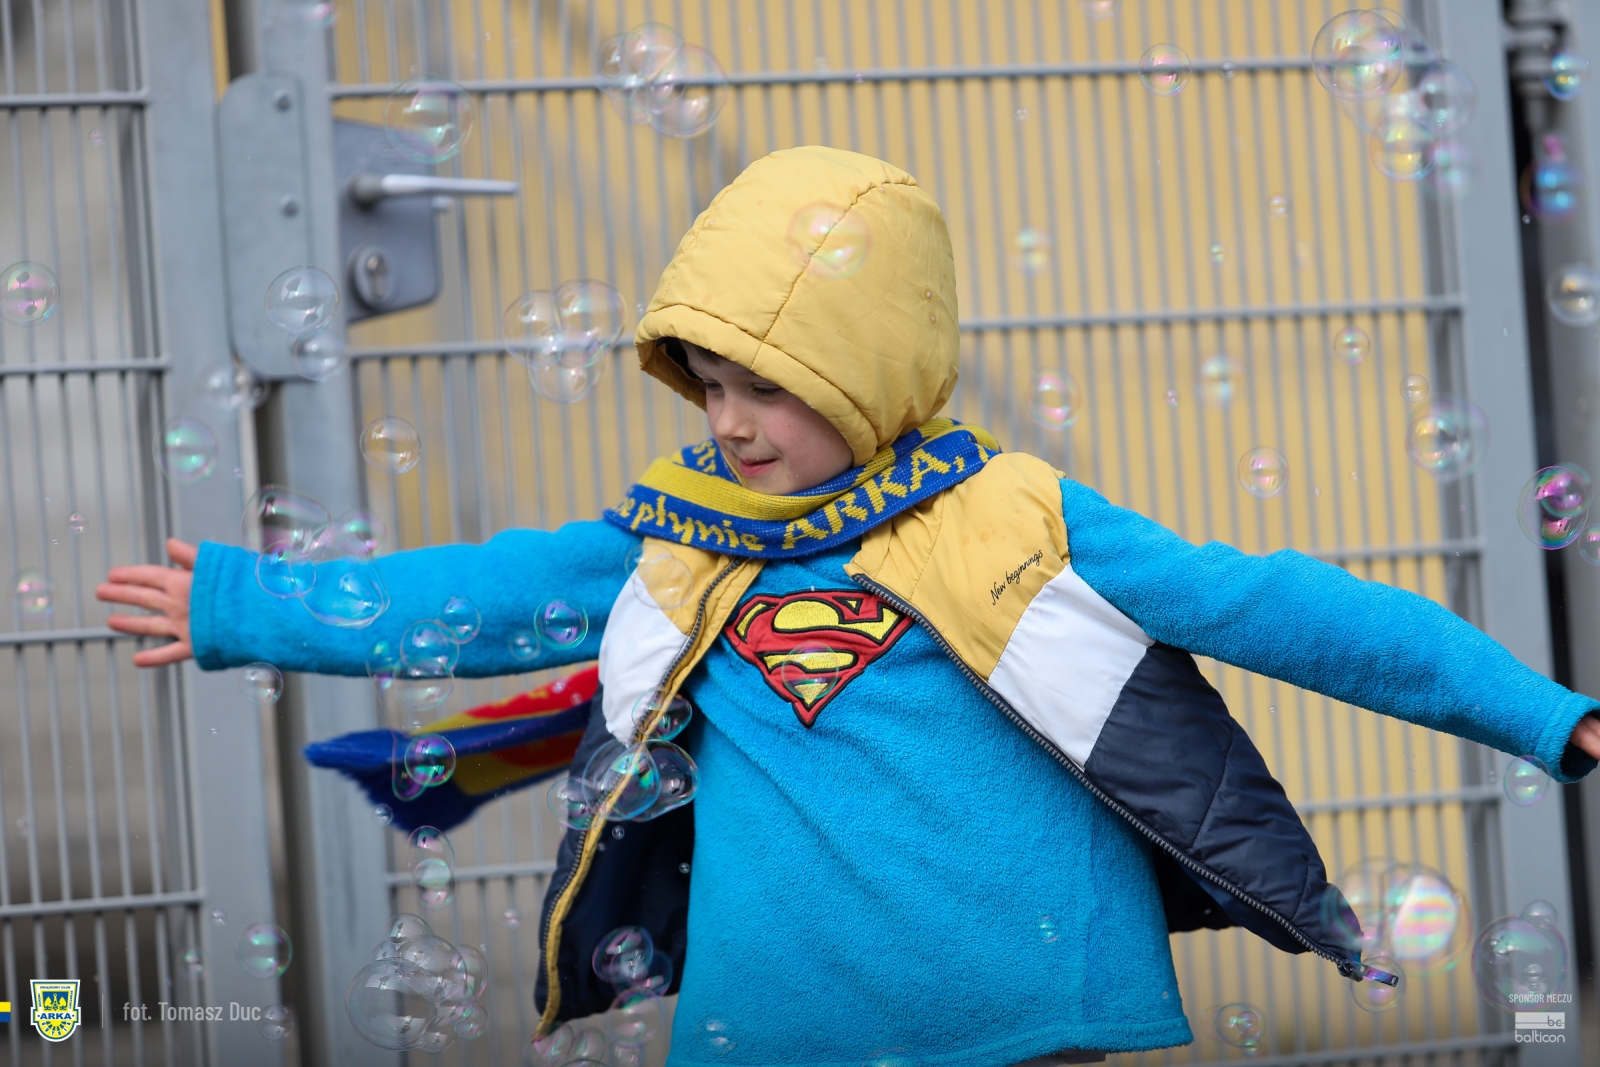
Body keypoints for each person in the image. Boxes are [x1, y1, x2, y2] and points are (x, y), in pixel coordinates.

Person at [99, 146, 1600, 1067]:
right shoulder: (678, 536)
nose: (731, 421)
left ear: (873, 370)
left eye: (773, 386)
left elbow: (1287, 611)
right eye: (710, 383)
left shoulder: (1018, 518)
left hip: (1023, 1003)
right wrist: (241, 602)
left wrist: (1545, 716)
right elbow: (469, 599)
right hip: (777, 1016)